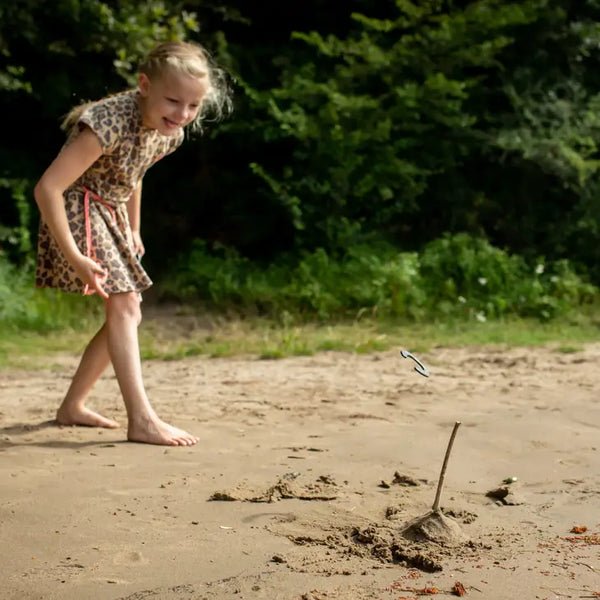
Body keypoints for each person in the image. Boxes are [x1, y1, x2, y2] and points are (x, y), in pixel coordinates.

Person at [34, 40, 232, 446]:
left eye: (193, 107)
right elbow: (48, 188)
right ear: (144, 85)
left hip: (112, 210)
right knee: (124, 304)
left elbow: (135, 171)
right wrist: (73, 255)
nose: (183, 114)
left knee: (129, 310)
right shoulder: (106, 122)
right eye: (174, 101)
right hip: (77, 203)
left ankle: (72, 407)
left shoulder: (169, 132)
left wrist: (135, 227)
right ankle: (141, 420)